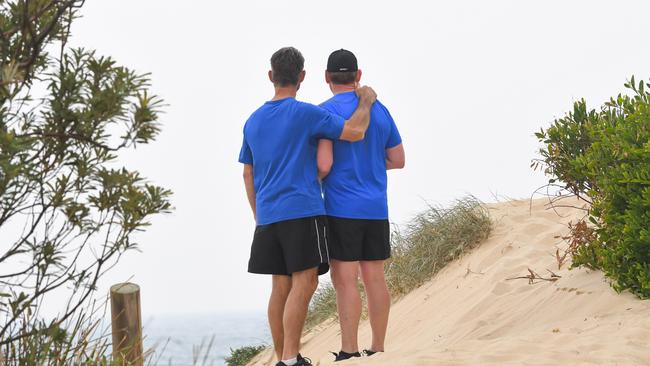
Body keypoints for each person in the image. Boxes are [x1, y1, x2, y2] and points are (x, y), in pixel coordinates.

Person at [239, 46, 377, 366]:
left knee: (280, 286)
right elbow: (355, 131)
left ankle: (283, 359)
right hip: (302, 209)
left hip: (268, 215)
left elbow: (248, 172)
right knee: (307, 281)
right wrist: (366, 100)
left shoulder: (253, 121)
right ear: (302, 77)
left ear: (271, 76)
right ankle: (289, 359)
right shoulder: (306, 114)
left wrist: (259, 214)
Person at [317, 49, 405, 362]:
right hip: (376, 208)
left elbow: (323, 167)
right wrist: (370, 164)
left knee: (344, 281)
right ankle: (378, 347)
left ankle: (349, 349)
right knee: (375, 278)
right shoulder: (380, 110)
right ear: (359, 75)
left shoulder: (323, 112)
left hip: (342, 208)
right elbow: (398, 160)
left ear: (327, 77)